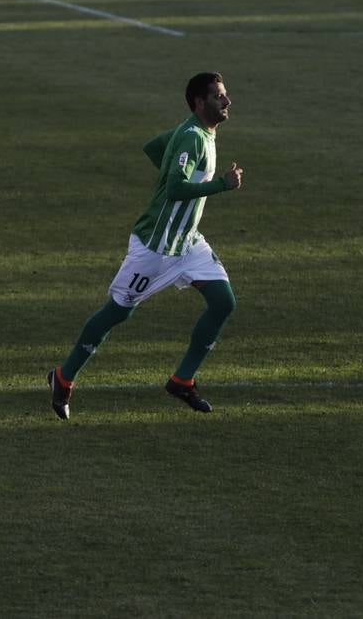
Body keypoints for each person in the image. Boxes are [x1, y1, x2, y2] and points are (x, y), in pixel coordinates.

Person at [47, 72, 244, 420]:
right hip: (155, 247)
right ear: (200, 103)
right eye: (218, 96)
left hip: (187, 244)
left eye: (225, 95)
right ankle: (63, 378)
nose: (226, 101)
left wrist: (170, 172)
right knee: (117, 312)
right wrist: (221, 186)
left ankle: (182, 380)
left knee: (222, 301)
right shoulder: (192, 139)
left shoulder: (199, 133)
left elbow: (153, 147)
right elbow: (174, 189)